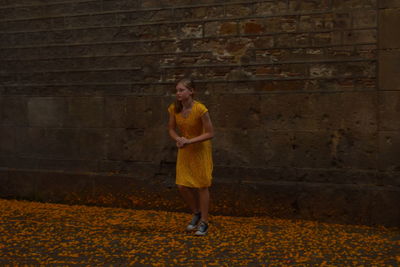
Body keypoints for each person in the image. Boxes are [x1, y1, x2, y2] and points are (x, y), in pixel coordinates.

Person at [167, 77, 214, 236]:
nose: (178, 93)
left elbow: (210, 133)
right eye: (177, 90)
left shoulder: (201, 109)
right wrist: (178, 139)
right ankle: (196, 212)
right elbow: (171, 130)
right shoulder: (174, 108)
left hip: (200, 149)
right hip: (185, 149)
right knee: (181, 185)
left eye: (181, 90)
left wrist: (190, 141)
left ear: (191, 91)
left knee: (202, 185)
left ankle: (204, 222)